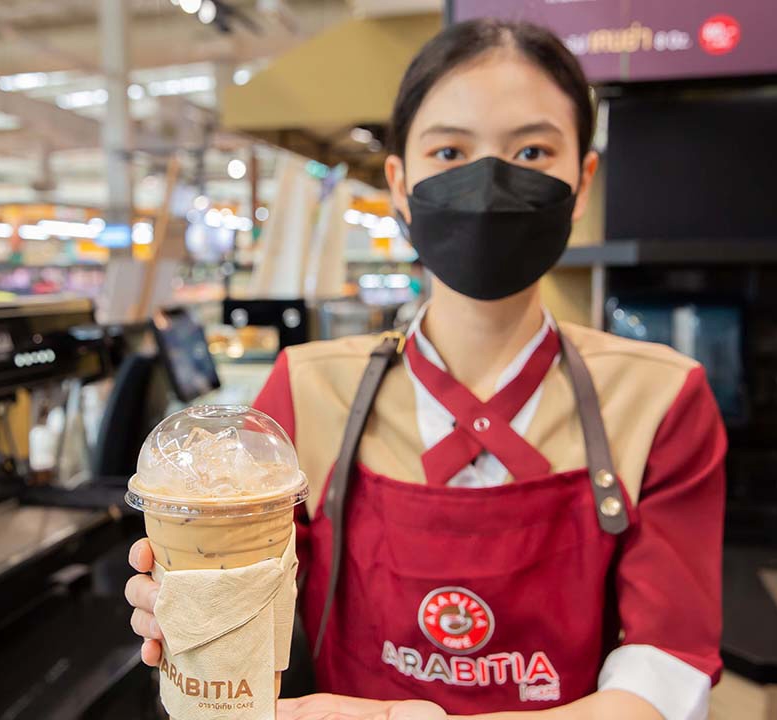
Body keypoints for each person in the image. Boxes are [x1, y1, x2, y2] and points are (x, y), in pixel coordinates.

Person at [125, 18, 725, 720]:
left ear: (582, 181)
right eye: (449, 151)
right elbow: (258, 605)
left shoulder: (658, 397)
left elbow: (665, 666)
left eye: (533, 149)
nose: (491, 183)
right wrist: (201, 612)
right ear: (400, 185)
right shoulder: (307, 387)